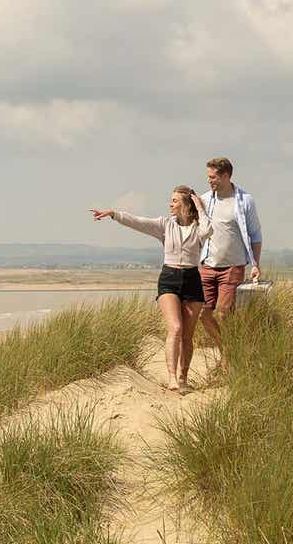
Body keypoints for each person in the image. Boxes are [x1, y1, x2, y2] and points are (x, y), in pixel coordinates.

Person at [91, 186, 211, 391]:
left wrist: (200, 208)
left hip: (192, 279)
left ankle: (183, 378)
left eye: (175, 201)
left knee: (187, 336)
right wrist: (114, 214)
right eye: (171, 200)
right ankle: (172, 377)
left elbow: (208, 230)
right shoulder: (165, 225)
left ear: (186, 204)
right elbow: (138, 222)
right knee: (175, 328)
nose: (170, 204)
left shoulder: (198, 227)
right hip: (169, 278)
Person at [198, 156, 262, 350]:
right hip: (207, 266)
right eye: (208, 177)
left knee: (224, 314)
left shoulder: (244, 201)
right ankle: (226, 349)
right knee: (202, 313)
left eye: (213, 177)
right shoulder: (204, 199)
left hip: (233, 267)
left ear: (225, 176)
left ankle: (229, 355)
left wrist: (255, 264)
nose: (209, 181)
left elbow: (255, 235)